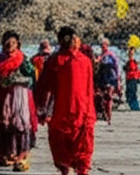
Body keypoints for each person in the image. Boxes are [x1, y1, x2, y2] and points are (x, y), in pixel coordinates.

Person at [35, 26, 96, 175]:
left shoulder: (57, 60)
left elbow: (44, 86)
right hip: (81, 108)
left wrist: (39, 105)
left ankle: (67, 169)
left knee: (64, 142)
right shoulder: (80, 61)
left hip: (65, 110)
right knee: (81, 143)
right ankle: (80, 169)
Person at [0, 30, 37, 171]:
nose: (10, 45)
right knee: (3, 125)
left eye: (13, 42)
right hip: (2, 98)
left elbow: (32, 77)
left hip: (20, 98)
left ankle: (21, 155)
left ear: (18, 44)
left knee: (20, 125)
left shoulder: (23, 59)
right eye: (7, 42)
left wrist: (22, 82)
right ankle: (6, 154)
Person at [94, 38, 120, 124]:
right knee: (102, 97)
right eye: (102, 44)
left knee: (109, 96)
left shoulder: (111, 55)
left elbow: (117, 68)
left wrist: (118, 80)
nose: (103, 46)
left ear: (107, 45)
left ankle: (109, 117)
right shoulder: (99, 56)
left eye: (104, 44)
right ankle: (105, 115)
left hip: (111, 77)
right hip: (102, 78)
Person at [123, 46, 140, 111]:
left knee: (131, 94)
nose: (129, 53)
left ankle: (135, 107)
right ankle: (135, 107)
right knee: (131, 94)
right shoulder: (132, 61)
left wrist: (126, 67)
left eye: (131, 51)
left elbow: (132, 69)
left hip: (131, 79)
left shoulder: (132, 61)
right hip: (132, 79)